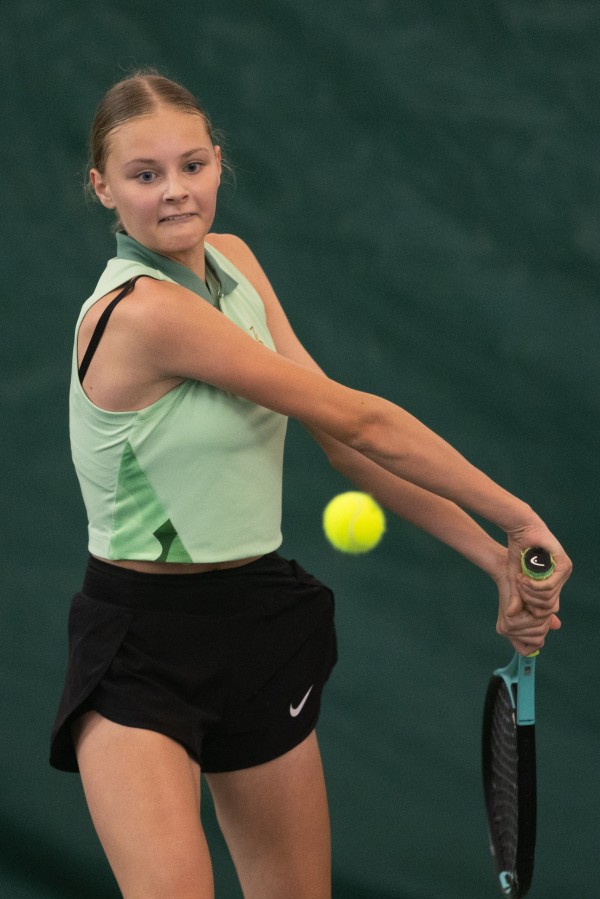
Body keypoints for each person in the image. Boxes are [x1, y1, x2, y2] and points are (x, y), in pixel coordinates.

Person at [50, 70, 570, 899]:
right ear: (102, 187)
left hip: (255, 623)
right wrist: (518, 516)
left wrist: (495, 559)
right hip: (141, 647)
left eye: (192, 165)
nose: (175, 190)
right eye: (144, 174)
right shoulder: (145, 312)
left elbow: (347, 450)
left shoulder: (237, 265)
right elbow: (362, 421)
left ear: (219, 163)